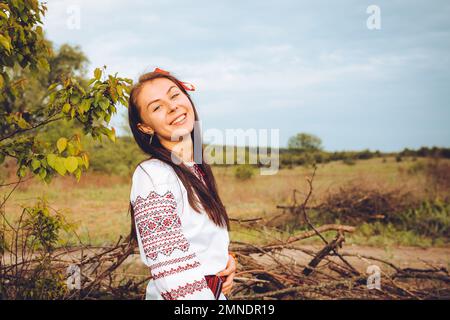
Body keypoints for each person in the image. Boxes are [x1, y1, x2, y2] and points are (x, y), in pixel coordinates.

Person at [127, 68, 236, 300]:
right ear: (145, 127)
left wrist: (222, 260)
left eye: (174, 95)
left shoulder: (195, 168)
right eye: (157, 107)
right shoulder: (152, 174)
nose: (172, 106)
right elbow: (169, 271)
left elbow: (196, 236)